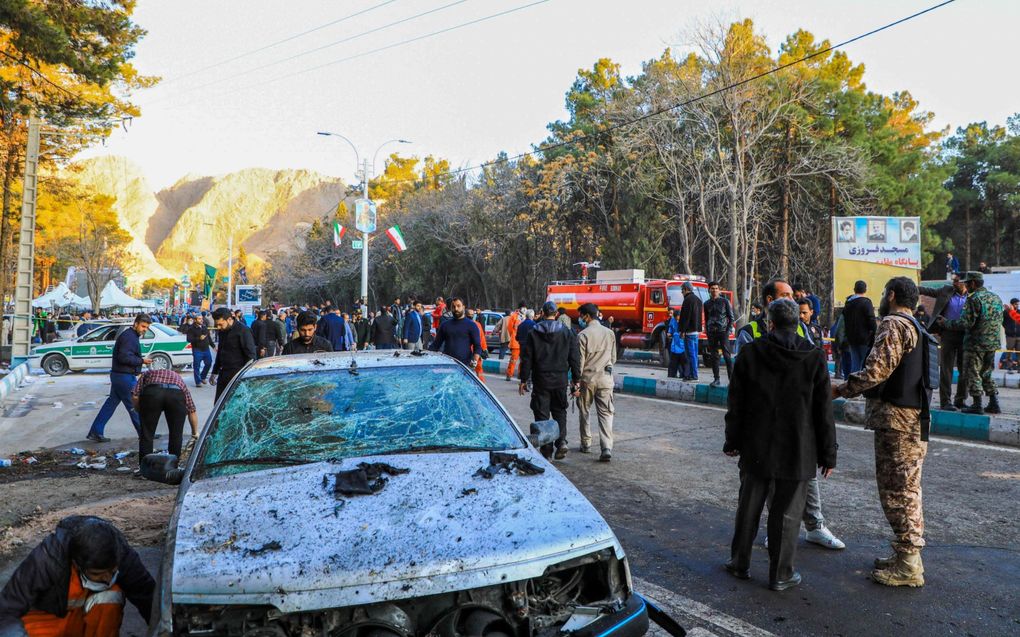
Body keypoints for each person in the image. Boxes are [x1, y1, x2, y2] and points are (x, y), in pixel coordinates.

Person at [724, 299, 837, 592]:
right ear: (798, 323)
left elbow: (736, 403)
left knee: (748, 507)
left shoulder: (750, 353)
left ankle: (739, 563)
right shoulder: (813, 357)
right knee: (787, 515)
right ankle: (780, 574)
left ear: (769, 323)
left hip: (756, 446)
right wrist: (829, 454)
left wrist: (732, 440)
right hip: (798, 450)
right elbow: (823, 411)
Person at [735, 278, 845, 550]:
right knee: (771, 481)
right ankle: (778, 531)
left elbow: (814, 379)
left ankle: (815, 525)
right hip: (765, 423)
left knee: (805, 477)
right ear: (770, 301)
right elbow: (741, 387)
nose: (793, 300)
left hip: (797, 422)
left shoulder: (802, 330)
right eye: (786, 295)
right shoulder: (750, 332)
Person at [834, 277, 929, 587]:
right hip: (912, 420)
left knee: (897, 492)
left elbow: (876, 371)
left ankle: (909, 565)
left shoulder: (893, 323)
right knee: (907, 489)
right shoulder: (915, 325)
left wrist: (841, 389)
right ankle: (905, 555)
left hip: (896, 422)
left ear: (891, 295)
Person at [0, 516, 155, 637]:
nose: (107, 578)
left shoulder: (124, 557)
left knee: (111, 595)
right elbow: (7, 609)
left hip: (83, 622)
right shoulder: (46, 559)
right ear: (76, 563)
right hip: (48, 620)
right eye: (96, 574)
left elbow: (149, 599)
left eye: (112, 571)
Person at [519, 301, 581, 460]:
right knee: (560, 411)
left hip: (541, 380)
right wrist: (576, 379)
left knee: (542, 414)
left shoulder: (533, 332)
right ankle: (561, 443)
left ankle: (546, 450)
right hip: (560, 380)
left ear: (542, 312)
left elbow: (527, 358)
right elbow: (574, 358)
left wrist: (523, 379)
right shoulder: (567, 332)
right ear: (556, 314)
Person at [940, 271, 1004, 414]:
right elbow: (1001, 321)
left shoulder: (974, 299)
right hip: (992, 343)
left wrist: (946, 323)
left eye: (967, 283)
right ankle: (994, 402)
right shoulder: (996, 298)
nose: (966, 286)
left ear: (973, 283)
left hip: (975, 344)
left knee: (972, 373)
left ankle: (977, 404)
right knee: (986, 373)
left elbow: (965, 323)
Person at [86, 315, 152, 443]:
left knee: (110, 404)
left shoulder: (130, 336)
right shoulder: (129, 337)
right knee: (135, 405)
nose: (145, 329)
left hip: (119, 375)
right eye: (143, 326)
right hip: (124, 377)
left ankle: (96, 431)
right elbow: (123, 357)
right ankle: (145, 434)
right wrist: (141, 361)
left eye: (147, 328)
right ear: (136, 324)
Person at [919, 274, 968, 410]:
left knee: (964, 369)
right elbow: (929, 291)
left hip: (966, 335)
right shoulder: (946, 290)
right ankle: (945, 401)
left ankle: (960, 400)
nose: (954, 283)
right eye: (953, 281)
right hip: (947, 334)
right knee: (946, 369)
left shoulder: (973, 295)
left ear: (965, 283)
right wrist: (913, 287)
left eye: (957, 281)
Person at [576, 303, 616, 462]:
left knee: (584, 411)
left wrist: (576, 382)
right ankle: (606, 446)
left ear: (586, 316)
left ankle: (586, 443)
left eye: (581, 316)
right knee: (606, 413)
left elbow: (579, 363)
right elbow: (613, 359)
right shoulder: (610, 333)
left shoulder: (583, 335)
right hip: (606, 379)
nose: (580, 319)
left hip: (587, 379)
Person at [132, 368, 199, 460]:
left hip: (153, 392)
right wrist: (195, 433)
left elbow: (135, 395)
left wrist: (140, 410)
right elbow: (191, 409)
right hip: (176, 394)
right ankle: (173, 467)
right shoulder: (178, 378)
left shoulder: (147, 373)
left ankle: (144, 468)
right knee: (176, 434)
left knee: (147, 434)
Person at [210, 307, 256, 401]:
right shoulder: (222, 332)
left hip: (238, 375)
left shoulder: (243, 331)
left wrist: (245, 377)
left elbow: (251, 356)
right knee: (219, 404)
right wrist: (215, 371)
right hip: (223, 374)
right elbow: (220, 352)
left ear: (229, 319)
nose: (218, 327)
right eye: (217, 325)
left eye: (220, 324)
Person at [430, 297, 481, 367]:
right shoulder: (445, 325)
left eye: (458, 306)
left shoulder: (471, 325)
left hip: (465, 367)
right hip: (447, 365)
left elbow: (477, 346)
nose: (456, 309)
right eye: (453, 307)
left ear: (463, 307)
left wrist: (474, 361)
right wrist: (425, 356)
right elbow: (435, 345)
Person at [704, 282, 734, 386]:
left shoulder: (725, 301)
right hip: (712, 332)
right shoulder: (706, 303)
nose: (715, 290)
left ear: (719, 290)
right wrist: (707, 332)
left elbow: (731, 318)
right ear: (709, 290)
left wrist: (728, 331)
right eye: (712, 288)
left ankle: (732, 380)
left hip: (723, 332)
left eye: (716, 288)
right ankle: (716, 379)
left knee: (727, 356)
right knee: (714, 356)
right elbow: (707, 318)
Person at [844, 281, 876, 373]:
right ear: (865, 290)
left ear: (854, 289)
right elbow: (871, 320)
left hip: (851, 338)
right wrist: (874, 333)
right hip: (865, 339)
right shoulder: (866, 302)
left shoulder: (848, 303)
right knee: (865, 364)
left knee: (855, 364)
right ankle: (862, 386)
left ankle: (853, 383)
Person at [675, 282, 702, 381]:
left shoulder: (687, 300)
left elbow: (685, 318)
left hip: (689, 332)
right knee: (694, 354)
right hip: (696, 332)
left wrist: (682, 331)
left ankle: (693, 375)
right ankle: (694, 374)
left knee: (690, 355)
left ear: (686, 289)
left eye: (682, 290)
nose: (681, 292)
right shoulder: (698, 300)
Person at [186, 313, 214, 387]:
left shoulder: (204, 327)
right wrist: (199, 338)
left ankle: (203, 377)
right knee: (197, 366)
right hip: (197, 349)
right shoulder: (191, 329)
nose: (201, 320)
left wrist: (213, 346)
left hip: (206, 349)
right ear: (195, 320)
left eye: (201, 318)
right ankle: (198, 382)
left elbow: (208, 338)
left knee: (209, 363)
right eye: (199, 319)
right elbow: (189, 339)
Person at [505, 303, 526, 381]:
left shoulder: (526, 316)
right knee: (513, 359)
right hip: (516, 342)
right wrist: (513, 336)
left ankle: (520, 375)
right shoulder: (514, 316)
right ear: (520, 308)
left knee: (523, 360)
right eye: (523, 307)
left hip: (523, 342)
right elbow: (509, 328)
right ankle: (509, 374)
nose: (524, 309)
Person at [665, 309, 685, 379]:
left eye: (678, 317)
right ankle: (672, 375)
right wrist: (669, 333)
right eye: (676, 317)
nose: (677, 319)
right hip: (674, 344)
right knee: (673, 361)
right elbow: (670, 328)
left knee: (682, 361)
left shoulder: (683, 320)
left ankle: (683, 374)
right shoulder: (672, 320)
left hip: (682, 344)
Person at [1004, 298, 1020, 372]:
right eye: (1016, 304)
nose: (1017, 305)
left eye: (1018, 304)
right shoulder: (1006, 312)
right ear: (1012, 304)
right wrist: (1008, 329)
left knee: (1019, 352)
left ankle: (1019, 367)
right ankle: (1009, 367)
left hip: (1019, 336)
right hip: (1010, 336)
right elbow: (1003, 322)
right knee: (1009, 352)